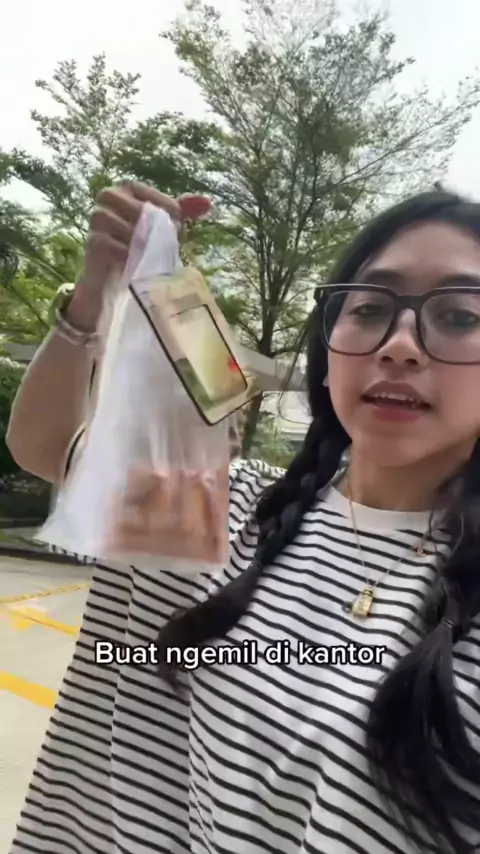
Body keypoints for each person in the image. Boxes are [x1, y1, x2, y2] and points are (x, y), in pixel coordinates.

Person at [7, 183, 480, 854]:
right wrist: (96, 295)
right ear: (329, 349)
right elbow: (45, 445)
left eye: (459, 317)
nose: (401, 345)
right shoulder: (219, 510)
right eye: (371, 308)